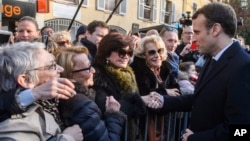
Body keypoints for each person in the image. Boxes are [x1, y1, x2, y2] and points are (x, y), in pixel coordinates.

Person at [149, 2, 250, 141]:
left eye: (197, 32)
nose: (193, 39)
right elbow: (199, 99)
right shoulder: (212, 58)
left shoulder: (243, 66)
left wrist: (197, 138)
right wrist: (164, 101)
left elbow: (241, 131)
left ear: (215, 29)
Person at [0, 42, 83, 141]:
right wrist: (69, 138)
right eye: (52, 66)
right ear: (26, 80)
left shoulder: (44, 101)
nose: (61, 69)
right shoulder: (14, 127)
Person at [55, 47, 127, 141]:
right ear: (70, 74)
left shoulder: (62, 95)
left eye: (91, 65)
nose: (93, 70)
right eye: (87, 68)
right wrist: (113, 114)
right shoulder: (81, 104)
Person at [93, 33, 152, 141]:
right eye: (121, 52)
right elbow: (104, 108)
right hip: (112, 134)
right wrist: (139, 101)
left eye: (129, 52)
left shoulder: (128, 73)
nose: (126, 56)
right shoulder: (98, 76)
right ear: (106, 54)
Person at [131, 35, 179, 141]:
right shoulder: (139, 70)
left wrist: (162, 94)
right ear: (143, 55)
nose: (157, 55)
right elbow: (145, 93)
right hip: (145, 123)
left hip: (165, 120)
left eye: (160, 51)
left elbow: (176, 91)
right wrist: (166, 92)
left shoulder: (166, 67)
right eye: (152, 52)